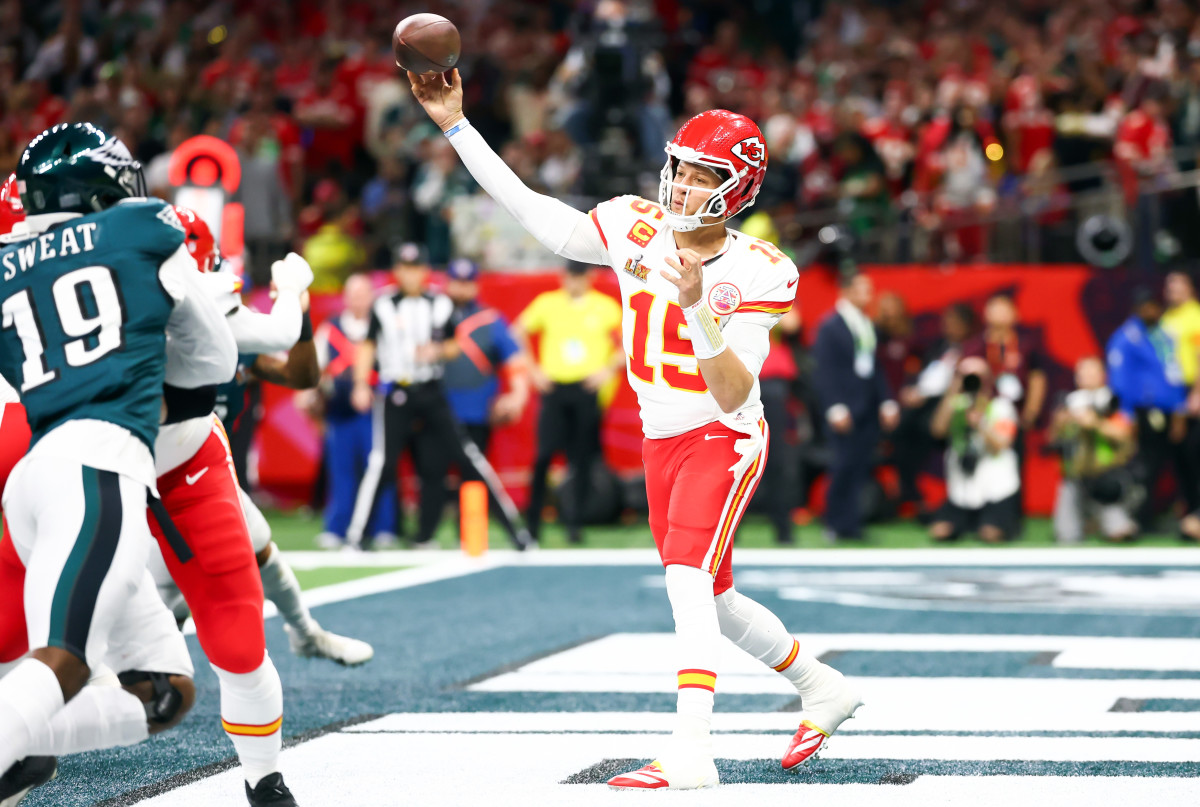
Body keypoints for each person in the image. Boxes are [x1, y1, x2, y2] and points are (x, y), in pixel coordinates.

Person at [410, 69, 862, 789]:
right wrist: (456, 127)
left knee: (685, 581)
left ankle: (690, 750)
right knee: (713, 597)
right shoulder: (634, 223)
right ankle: (824, 686)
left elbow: (732, 391)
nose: (681, 185)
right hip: (660, 439)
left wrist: (698, 307)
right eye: (678, 168)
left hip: (724, 435)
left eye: (702, 174)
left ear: (738, 189)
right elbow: (539, 215)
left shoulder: (759, 269)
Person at [0, 124, 235, 796]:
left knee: (163, 691)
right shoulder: (144, 228)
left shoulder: (5, 260)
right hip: (96, 467)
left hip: (35, 481)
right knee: (64, 662)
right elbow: (216, 361)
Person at [163, 206, 374, 672]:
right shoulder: (143, 326)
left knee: (257, 551)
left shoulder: (224, 330)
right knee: (161, 590)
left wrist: (299, 313)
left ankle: (305, 633)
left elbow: (301, 375)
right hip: (149, 474)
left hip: (207, 472)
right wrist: (292, 296)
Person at [347, 243, 462, 549]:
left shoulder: (440, 303)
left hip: (430, 388)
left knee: (434, 465)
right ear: (396, 271)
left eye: (415, 267)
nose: (410, 274)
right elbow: (368, 345)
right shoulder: (382, 303)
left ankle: (425, 535)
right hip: (396, 390)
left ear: (425, 271)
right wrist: (361, 383)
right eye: (404, 267)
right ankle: (359, 536)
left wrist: (437, 350)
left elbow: (454, 345)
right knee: (383, 464)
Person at [514, 261, 623, 544]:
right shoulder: (548, 303)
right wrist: (534, 370)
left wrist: (607, 370)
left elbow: (631, 341)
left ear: (589, 278)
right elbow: (517, 331)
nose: (573, 282)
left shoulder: (604, 306)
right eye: (570, 277)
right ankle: (533, 524)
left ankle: (575, 523)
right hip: (555, 388)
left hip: (586, 388)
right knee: (543, 457)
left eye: (579, 276)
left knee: (582, 460)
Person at [443, 257, 535, 546]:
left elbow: (516, 360)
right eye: (456, 282)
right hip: (433, 410)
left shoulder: (490, 320)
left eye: (467, 283)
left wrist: (517, 397)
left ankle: (502, 532)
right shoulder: (432, 315)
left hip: (475, 411)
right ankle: (424, 536)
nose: (461, 289)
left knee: (476, 474)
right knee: (432, 474)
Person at [311, 273, 399, 548]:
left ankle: (383, 527)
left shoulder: (383, 326)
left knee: (378, 467)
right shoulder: (331, 328)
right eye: (353, 295)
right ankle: (337, 527)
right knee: (341, 470)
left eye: (363, 294)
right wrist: (315, 391)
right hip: (340, 410)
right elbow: (315, 366)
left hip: (377, 409)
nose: (358, 300)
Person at [813, 273, 900, 541]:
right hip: (845, 405)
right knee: (842, 465)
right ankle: (834, 522)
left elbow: (874, 368)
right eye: (864, 290)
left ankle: (851, 524)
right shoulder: (830, 326)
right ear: (848, 291)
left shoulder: (865, 324)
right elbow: (825, 371)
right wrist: (835, 406)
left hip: (867, 405)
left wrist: (886, 401)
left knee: (860, 466)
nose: (869, 295)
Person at [1106, 287, 1188, 530]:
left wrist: (1179, 409)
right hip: (1141, 412)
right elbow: (1119, 380)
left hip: (1167, 411)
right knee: (1143, 467)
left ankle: (1169, 514)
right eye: (1146, 307)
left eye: (1154, 306)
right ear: (1136, 309)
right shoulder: (1125, 337)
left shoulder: (1164, 335)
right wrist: (1126, 414)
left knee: (1171, 465)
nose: (1151, 311)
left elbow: (1174, 374)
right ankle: (1138, 517)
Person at [928, 356, 1022, 543]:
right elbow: (937, 430)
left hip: (997, 489)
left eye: (977, 376)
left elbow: (1000, 446)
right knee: (940, 531)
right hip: (962, 490)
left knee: (990, 534)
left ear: (988, 379)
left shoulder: (1001, 407)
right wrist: (953, 389)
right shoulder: (955, 405)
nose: (972, 381)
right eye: (965, 376)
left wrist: (980, 424)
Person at [1050, 358, 1137, 544]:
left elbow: (1125, 435)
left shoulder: (1111, 402)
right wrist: (1063, 420)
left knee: (1119, 532)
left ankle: (1105, 521)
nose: (1088, 378)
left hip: (1105, 478)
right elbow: (1052, 439)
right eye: (1083, 374)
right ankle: (1086, 522)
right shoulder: (1070, 403)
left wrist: (1095, 423)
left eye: (1093, 373)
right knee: (1067, 537)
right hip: (1075, 478)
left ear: (1102, 376)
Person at [1161, 271, 1200, 513]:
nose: (1172, 289)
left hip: (1190, 389)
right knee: (1179, 453)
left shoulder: (1195, 315)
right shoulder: (1167, 317)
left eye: (1178, 284)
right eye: (1169, 285)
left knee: (1193, 451)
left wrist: (1197, 392)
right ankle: (1188, 509)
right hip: (1170, 392)